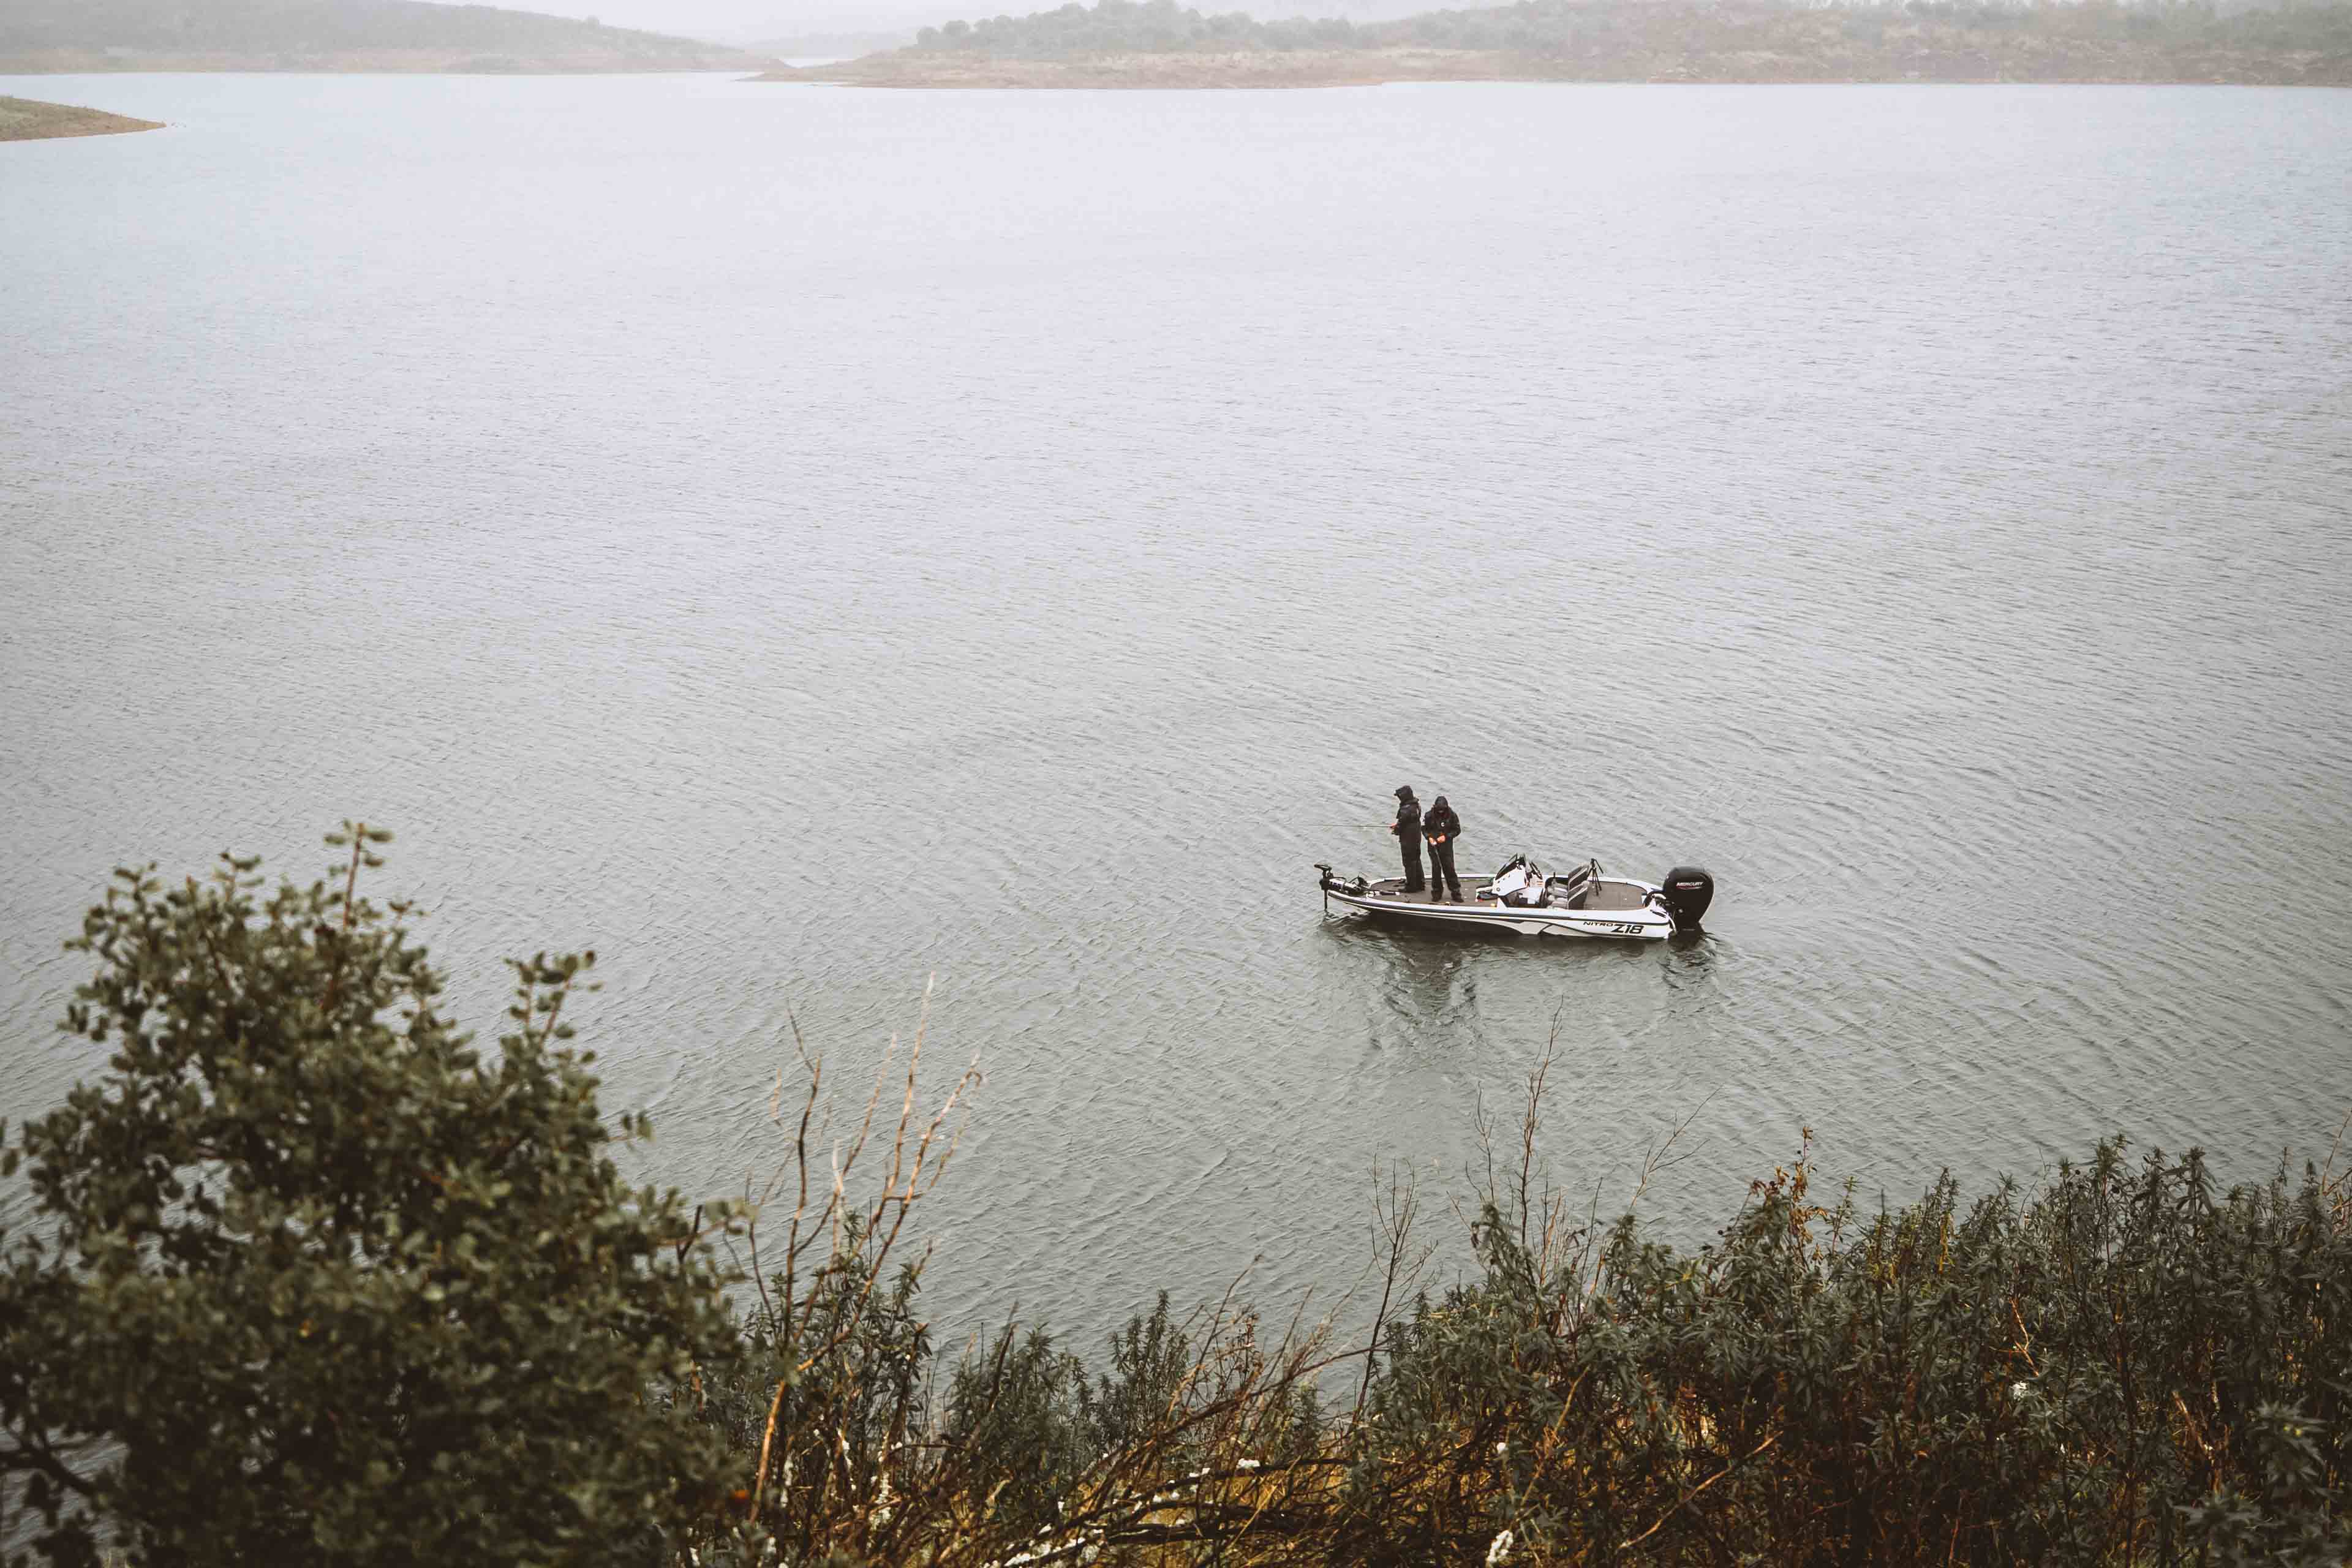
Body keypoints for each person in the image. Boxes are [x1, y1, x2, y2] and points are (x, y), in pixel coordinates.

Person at [1422, 795, 1463, 902]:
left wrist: (1446, 836)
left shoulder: (1452, 815)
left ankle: (1456, 892)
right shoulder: (1429, 816)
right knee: (1436, 869)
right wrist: (1429, 837)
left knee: (1449, 868)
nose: (1440, 812)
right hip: (1433, 847)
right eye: (1438, 810)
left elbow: (1457, 830)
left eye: (1442, 810)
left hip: (1446, 847)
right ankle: (1436, 892)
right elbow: (1424, 829)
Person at [1388, 786, 1425, 893]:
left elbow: (1401, 825)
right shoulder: (1416, 805)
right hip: (1417, 837)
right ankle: (1420, 884)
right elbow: (1409, 820)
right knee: (1416, 860)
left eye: (1399, 796)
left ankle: (1411, 886)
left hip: (1408, 840)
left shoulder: (1405, 809)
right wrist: (1398, 824)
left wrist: (1396, 830)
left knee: (1408, 862)